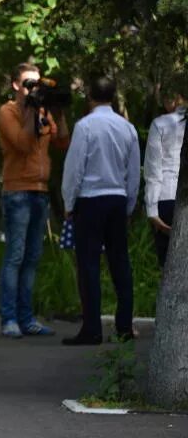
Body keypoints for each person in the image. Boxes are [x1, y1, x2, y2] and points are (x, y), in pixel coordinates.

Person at [61, 77, 140, 345]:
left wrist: (69, 203)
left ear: (90, 97)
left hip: (90, 201)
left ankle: (92, 329)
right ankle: (124, 326)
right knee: (120, 263)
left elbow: (75, 169)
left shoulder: (85, 127)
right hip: (117, 200)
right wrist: (129, 206)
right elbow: (133, 173)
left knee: (89, 266)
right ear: (113, 96)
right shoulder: (127, 128)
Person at [0, 63, 70, 338]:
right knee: (15, 256)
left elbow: (62, 141)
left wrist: (57, 111)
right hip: (17, 191)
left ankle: (27, 319)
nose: (33, 89)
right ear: (16, 85)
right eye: (29, 83)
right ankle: (10, 319)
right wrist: (29, 111)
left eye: (37, 83)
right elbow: (23, 144)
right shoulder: (9, 112)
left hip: (40, 191)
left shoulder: (41, 111)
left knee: (33, 257)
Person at [143, 90, 186, 267]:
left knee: (169, 265)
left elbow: (154, 169)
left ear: (175, 98)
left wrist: (151, 209)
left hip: (167, 197)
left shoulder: (161, 123)